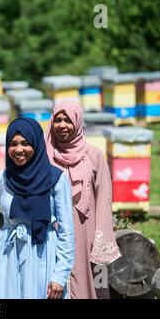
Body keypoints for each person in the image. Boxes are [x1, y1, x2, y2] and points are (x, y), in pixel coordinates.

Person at [0, 117, 75, 299]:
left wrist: (60, 276)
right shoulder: (2, 179)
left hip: (43, 255)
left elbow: (67, 232)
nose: (19, 150)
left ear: (37, 145)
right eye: (13, 144)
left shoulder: (56, 180)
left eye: (25, 143)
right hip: (6, 256)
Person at [45, 102, 121, 299]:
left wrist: (101, 239)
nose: (62, 125)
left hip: (87, 234)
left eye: (68, 120)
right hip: (54, 233)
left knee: (96, 284)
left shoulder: (94, 155)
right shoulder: (44, 155)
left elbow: (104, 199)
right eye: (58, 120)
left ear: (78, 123)